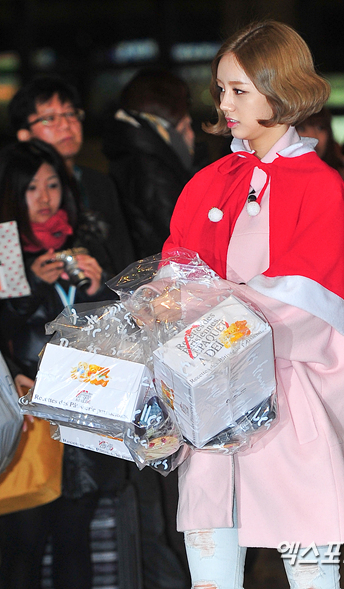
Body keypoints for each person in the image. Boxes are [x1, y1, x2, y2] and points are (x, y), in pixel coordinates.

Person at [150, 21, 344, 588]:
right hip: (209, 403)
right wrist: (159, 304)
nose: (225, 104)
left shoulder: (320, 186)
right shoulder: (210, 181)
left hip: (291, 402)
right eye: (221, 89)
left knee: (311, 573)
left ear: (281, 91)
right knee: (210, 570)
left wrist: (203, 307)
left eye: (239, 90)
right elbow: (171, 277)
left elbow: (311, 306)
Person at [0, 139, 125, 589]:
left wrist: (97, 288)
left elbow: (118, 328)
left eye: (53, 185)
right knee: (23, 545)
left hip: (80, 411)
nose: (45, 198)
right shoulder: (5, 247)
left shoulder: (82, 241)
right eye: (31, 187)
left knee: (75, 540)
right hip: (28, 414)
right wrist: (30, 285)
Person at [103, 68, 191, 587]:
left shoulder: (121, 159)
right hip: (162, 325)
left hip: (149, 324)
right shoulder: (152, 164)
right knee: (170, 463)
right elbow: (179, 248)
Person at [7, 75, 135, 274]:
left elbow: (123, 255)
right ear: (24, 135)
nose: (66, 125)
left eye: (70, 113)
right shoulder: (10, 190)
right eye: (49, 118)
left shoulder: (99, 182)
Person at [103, 68, 195, 259]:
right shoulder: (151, 166)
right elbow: (183, 236)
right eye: (186, 126)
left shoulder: (134, 150)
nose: (191, 135)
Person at [296, 107, 344, 255]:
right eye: (302, 128)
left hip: (337, 262)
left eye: (320, 128)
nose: (313, 137)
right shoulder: (277, 177)